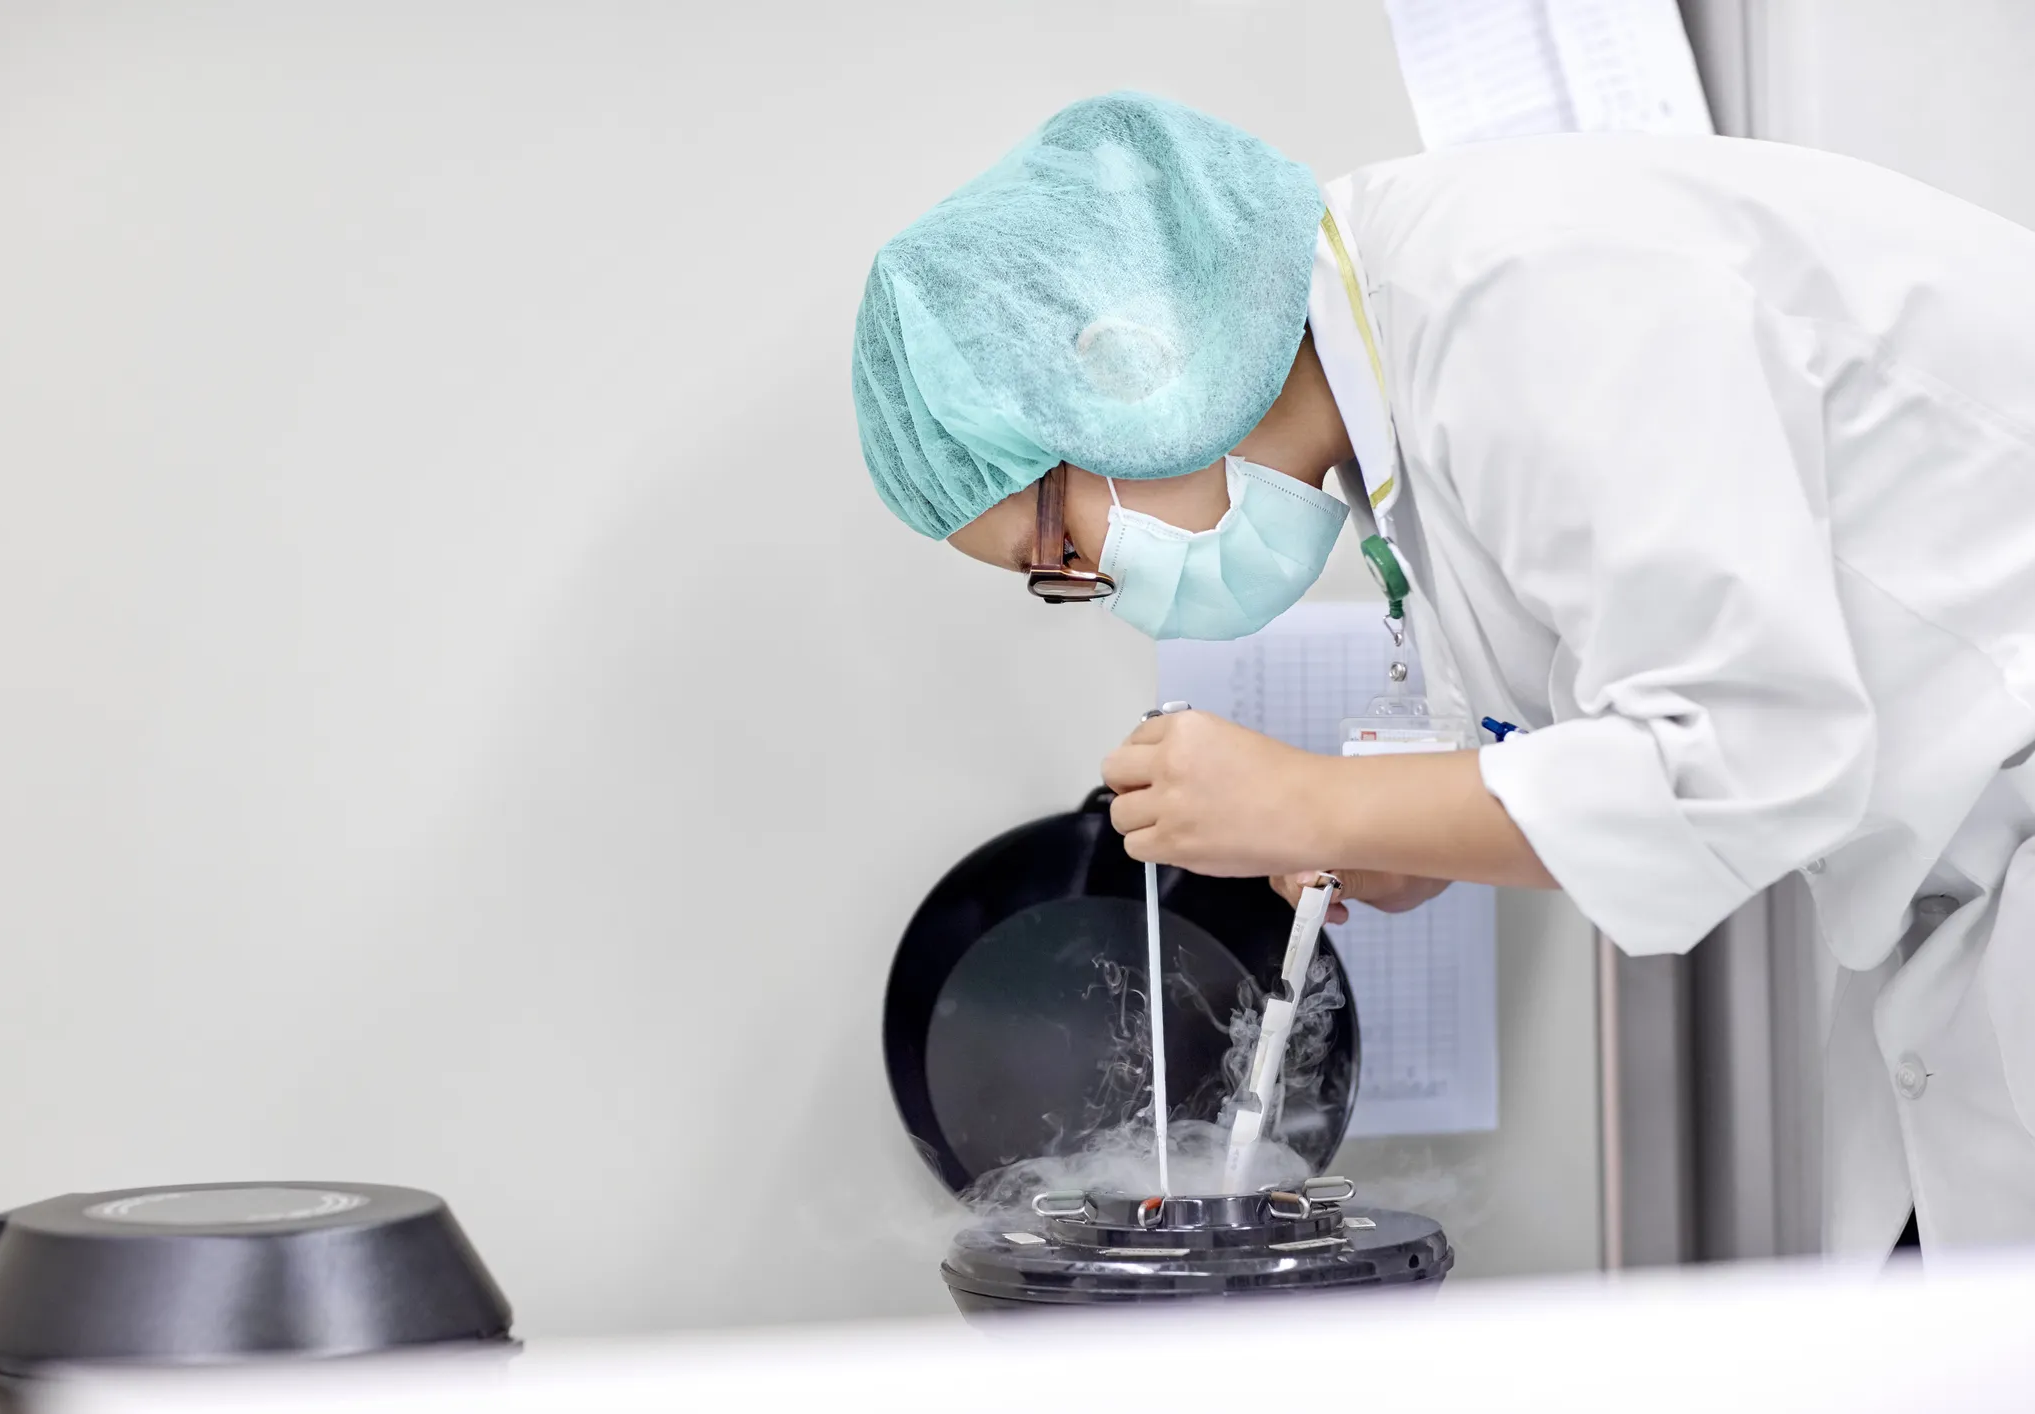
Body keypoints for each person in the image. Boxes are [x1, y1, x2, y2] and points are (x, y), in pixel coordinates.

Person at [851, 92, 2035, 1261]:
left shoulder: (1521, 301)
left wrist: (1316, 802)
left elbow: (1754, 755)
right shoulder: (1406, 372)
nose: (1087, 583)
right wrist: (1420, 824)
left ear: (1122, 364)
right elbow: (1708, 722)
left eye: (1056, 545)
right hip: (1962, 901)